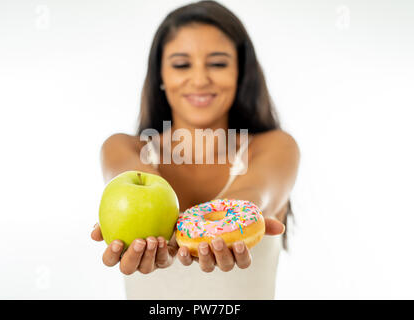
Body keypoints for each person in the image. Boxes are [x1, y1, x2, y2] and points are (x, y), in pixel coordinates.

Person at [91, 0, 300, 299]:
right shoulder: (123, 148)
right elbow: (132, 179)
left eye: (217, 63)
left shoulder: (276, 147)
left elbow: (255, 194)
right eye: (181, 64)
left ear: (241, 72)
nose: (200, 79)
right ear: (160, 75)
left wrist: (199, 233)